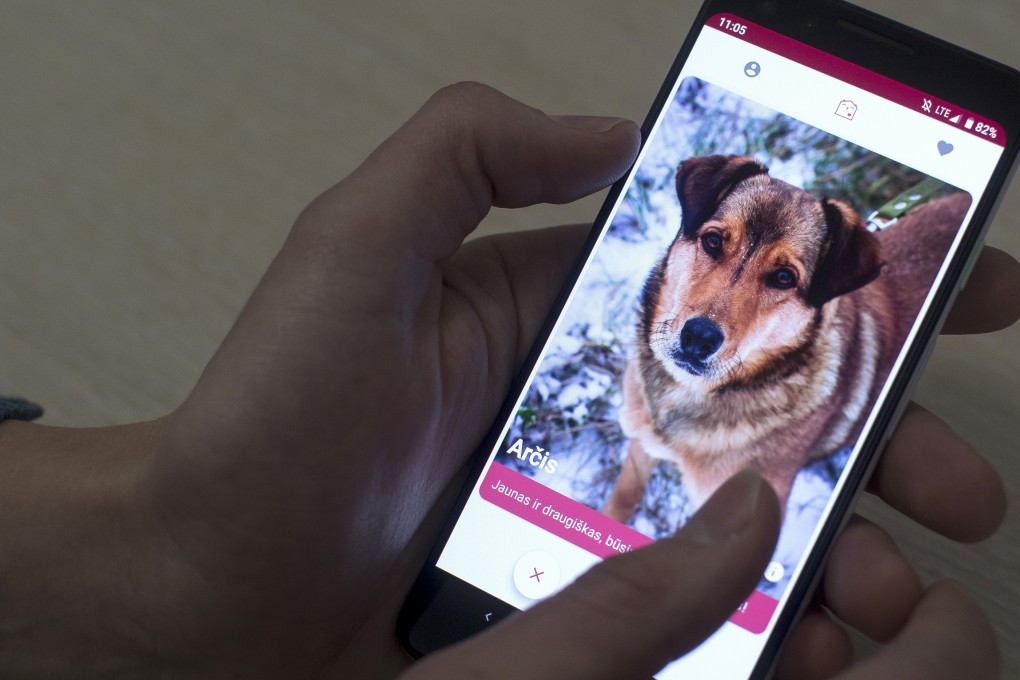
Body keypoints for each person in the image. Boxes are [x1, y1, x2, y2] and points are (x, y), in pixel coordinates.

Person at [0, 83, 1015, 680]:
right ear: (693, 222)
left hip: (778, 408)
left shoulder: (810, 342)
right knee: (639, 447)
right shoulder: (672, 315)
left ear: (818, 294)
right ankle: (619, 503)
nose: (715, 307)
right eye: (713, 245)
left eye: (778, 278)